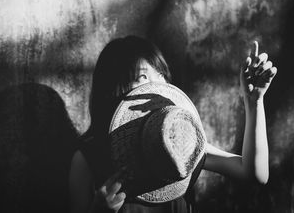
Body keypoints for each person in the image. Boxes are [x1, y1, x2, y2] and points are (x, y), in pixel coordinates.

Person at [68, 36, 277, 213]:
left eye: (160, 74)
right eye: (143, 76)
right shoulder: (87, 157)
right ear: (115, 87)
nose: (158, 83)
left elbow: (254, 173)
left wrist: (254, 101)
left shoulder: (178, 145)